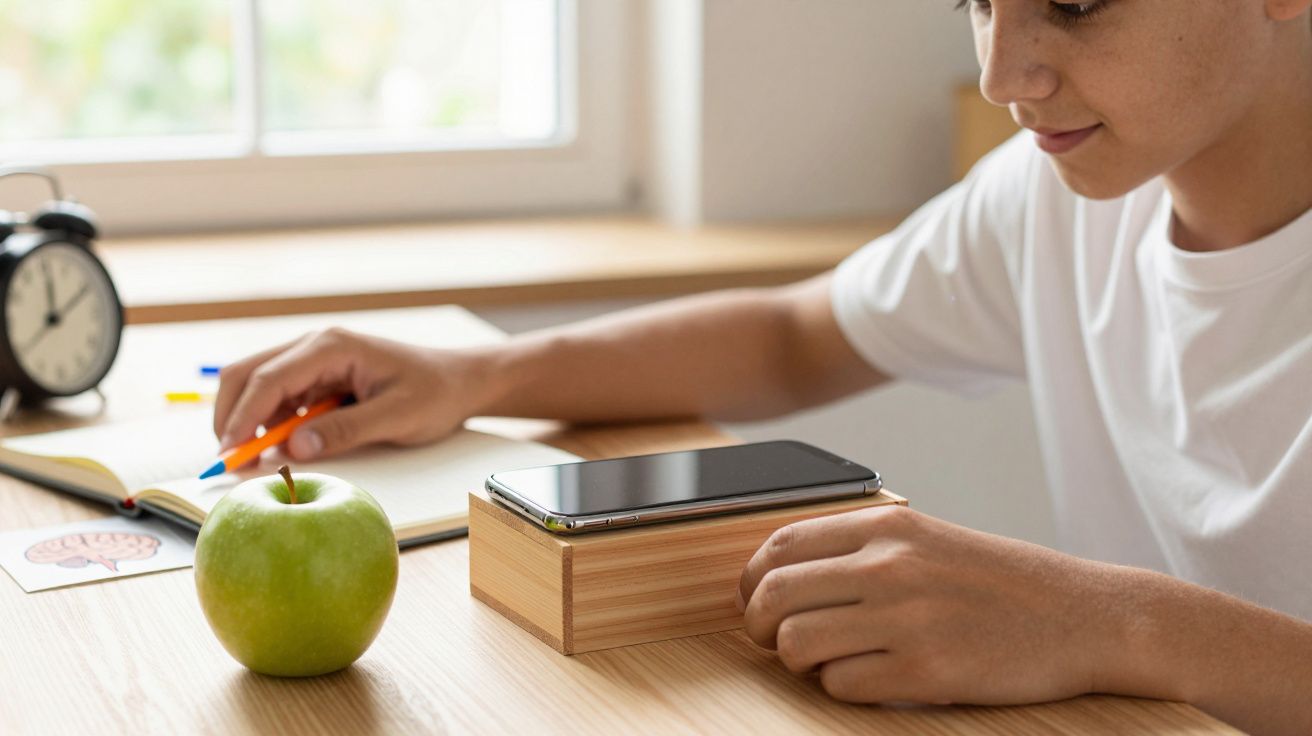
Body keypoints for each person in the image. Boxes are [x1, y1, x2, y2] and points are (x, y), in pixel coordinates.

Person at [212, 1, 1312, 732]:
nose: (997, 71)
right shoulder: (1053, 199)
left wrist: (1106, 620)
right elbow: (795, 337)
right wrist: (478, 376)